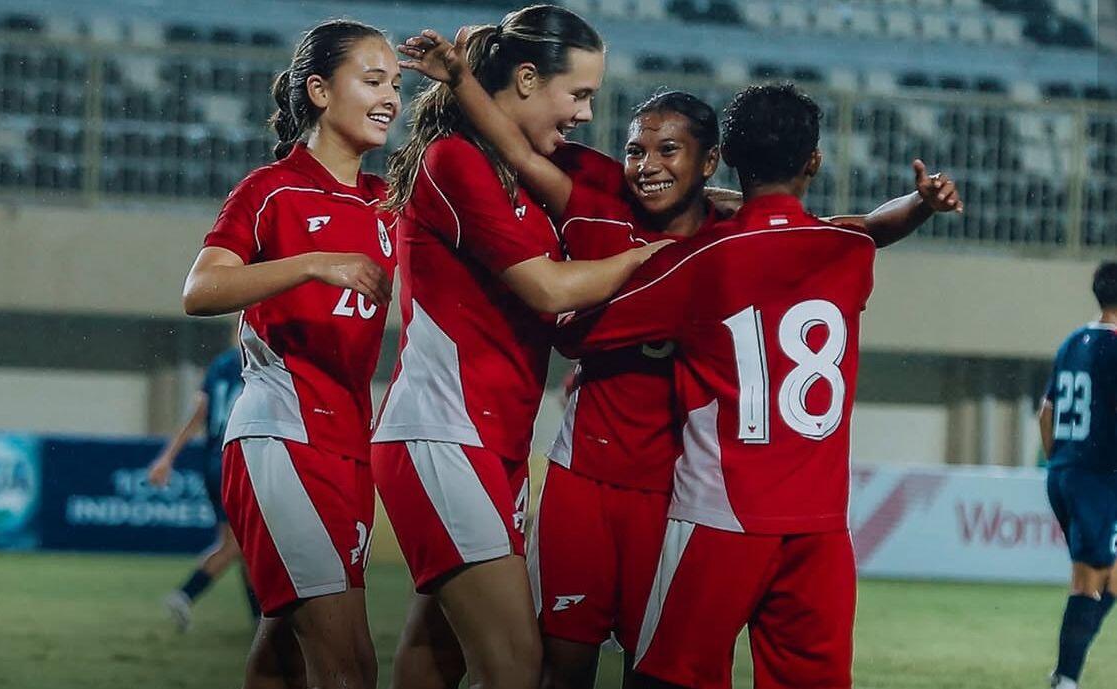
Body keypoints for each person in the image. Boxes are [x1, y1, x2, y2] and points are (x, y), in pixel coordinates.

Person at [400, 29, 962, 689]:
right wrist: (461, 79)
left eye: (669, 150)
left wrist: (917, 207)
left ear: (711, 162)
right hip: (585, 475)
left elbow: (858, 226)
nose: (646, 164)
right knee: (564, 662)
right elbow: (519, 147)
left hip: (671, 494)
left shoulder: (720, 241)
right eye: (635, 148)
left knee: (662, 665)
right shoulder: (598, 194)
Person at [555, 83, 961, 689]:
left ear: (726, 161)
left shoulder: (699, 260)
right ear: (815, 161)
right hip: (820, 528)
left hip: (721, 518)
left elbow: (577, 334)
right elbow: (869, 227)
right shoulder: (848, 250)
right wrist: (924, 205)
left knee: (665, 677)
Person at [370, 6, 670, 689]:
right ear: (528, 79)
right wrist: (649, 258)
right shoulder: (454, 161)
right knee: (516, 667)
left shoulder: (533, 176)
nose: (586, 115)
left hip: (493, 443)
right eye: (580, 95)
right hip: (442, 435)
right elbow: (546, 288)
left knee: (435, 654)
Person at [181, 18, 398, 689]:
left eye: (395, 82)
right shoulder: (270, 189)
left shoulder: (389, 204)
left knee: (282, 659)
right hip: (282, 437)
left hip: (347, 446)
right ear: (320, 91)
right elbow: (201, 289)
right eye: (372, 79)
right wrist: (312, 263)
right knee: (349, 667)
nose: (391, 96)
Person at [1041, 261, 1117, 689]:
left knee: (1113, 576)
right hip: (1098, 476)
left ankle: (1066, 673)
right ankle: (1065, 680)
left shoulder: (1074, 341)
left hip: (1068, 470)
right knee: (1088, 580)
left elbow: (1046, 412)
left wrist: (1062, 464)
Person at [147, 343, 259, 631]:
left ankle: (260, 619)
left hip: (213, 462)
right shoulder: (264, 358)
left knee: (240, 545)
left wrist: (168, 457)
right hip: (239, 459)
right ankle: (185, 594)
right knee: (237, 544)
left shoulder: (222, 363)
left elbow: (199, 411)